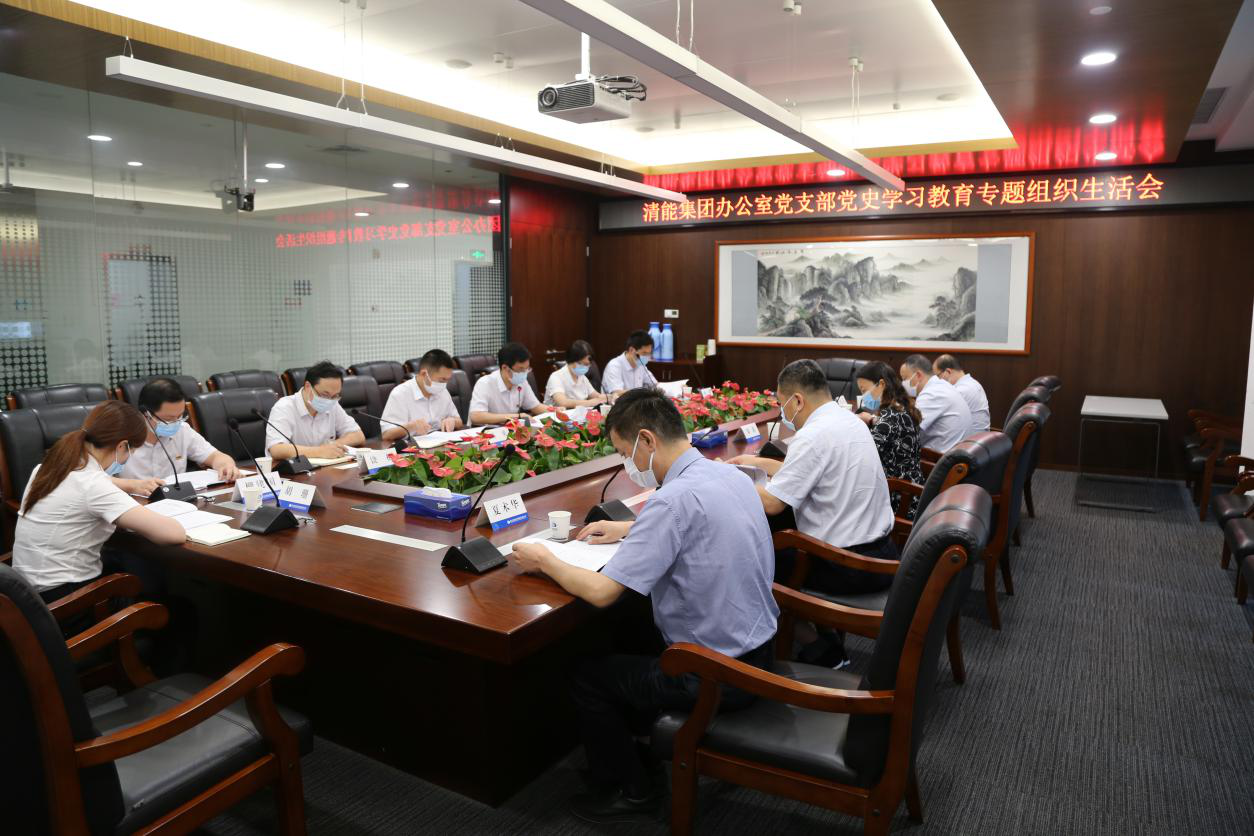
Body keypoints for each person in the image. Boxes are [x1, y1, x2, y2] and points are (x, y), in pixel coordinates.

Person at [511, 388, 778, 822]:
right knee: (631, 635)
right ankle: (641, 751)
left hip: (715, 674)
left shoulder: (671, 500)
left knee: (587, 677)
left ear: (647, 440)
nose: (627, 464)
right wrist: (630, 529)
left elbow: (602, 592)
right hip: (759, 651)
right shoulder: (728, 475)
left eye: (624, 452)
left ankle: (632, 789)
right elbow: (694, 523)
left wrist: (545, 560)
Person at [728, 359, 897, 594]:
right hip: (882, 554)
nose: (783, 413)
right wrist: (755, 462)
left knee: (746, 557)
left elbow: (773, 504)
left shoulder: (812, 435)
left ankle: (785, 618)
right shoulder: (850, 420)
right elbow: (809, 471)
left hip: (846, 566)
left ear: (797, 400)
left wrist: (729, 476)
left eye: (782, 405)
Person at [11, 400, 187, 605]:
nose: (128, 458)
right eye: (131, 451)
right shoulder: (94, 486)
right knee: (172, 605)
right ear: (122, 445)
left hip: (26, 598)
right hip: (68, 601)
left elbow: (87, 485)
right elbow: (173, 534)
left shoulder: (47, 468)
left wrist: (130, 484)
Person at [119, 377, 240, 486]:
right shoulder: (120, 435)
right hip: (131, 500)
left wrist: (226, 465)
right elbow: (106, 479)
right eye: (168, 419)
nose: (176, 423)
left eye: (180, 416)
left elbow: (215, 456)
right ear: (145, 413)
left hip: (176, 498)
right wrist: (131, 485)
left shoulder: (182, 430)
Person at [855, 360, 925, 517]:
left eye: (864, 390)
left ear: (881, 384)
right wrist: (873, 420)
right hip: (912, 491)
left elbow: (864, 457)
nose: (863, 396)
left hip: (899, 500)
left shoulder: (889, 419)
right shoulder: (900, 408)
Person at [266, 360, 365, 460]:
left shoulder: (332, 404)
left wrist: (333, 446)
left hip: (325, 467)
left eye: (335, 396)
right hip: (293, 468)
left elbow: (358, 435)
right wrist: (319, 451)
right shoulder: (284, 407)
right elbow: (276, 449)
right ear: (308, 386)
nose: (329, 400)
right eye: (324, 395)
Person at [380, 349, 463, 442]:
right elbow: (386, 434)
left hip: (441, 443)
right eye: (442, 380)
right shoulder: (400, 394)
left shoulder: (442, 391)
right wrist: (410, 427)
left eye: (448, 380)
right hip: (412, 446)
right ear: (424, 374)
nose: (444, 384)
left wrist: (453, 421)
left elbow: (459, 421)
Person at [899, 353, 973, 452]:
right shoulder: (941, 386)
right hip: (954, 452)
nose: (903, 384)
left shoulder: (932, 393)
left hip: (939, 457)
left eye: (904, 379)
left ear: (918, 375)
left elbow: (906, 428)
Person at [468, 342, 553, 425]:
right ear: (505, 368)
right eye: (521, 369)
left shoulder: (522, 382)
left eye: (527, 368)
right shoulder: (485, 383)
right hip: (486, 431)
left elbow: (536, 407)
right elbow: (476, 416)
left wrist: (555, 411)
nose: (524, 373)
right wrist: (517, 416)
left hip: (510, 429)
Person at [934, 354, 991, 431]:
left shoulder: (960, 391)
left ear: (948, 372)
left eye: (937, 376)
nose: (937, 380)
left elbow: (941, 421)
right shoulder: (973, 383)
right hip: (980, 435)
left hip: (970, 437)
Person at [545, 340, 608, 409]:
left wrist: (609, 397)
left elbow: (596, 396)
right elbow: (562, 402)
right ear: (570, 360)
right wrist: (590, 402)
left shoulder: (582, 377)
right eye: (581, 364)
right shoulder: (556, 377)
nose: (585, 367)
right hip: (558, 415)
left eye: (587, 364)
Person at [600, 330, 657, 398]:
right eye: (644, 353)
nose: (647, 357)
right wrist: (642, 392)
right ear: (631, 350)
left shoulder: (641, 365)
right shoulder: (614, 366)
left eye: (649, 353)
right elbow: (617, 393)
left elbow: (655, 385)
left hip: (636, 403)